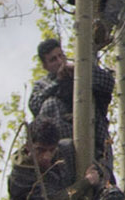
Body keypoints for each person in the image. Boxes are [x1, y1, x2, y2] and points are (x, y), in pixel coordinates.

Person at [29, 36, 116, 165]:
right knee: (50, 103)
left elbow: (108, 83)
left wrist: (81, 71)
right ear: (45, 66)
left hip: (94, 140)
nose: (59, 61)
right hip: (60, 146)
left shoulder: (79, 72)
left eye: (61, 56)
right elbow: (35, 106)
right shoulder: (42, 85)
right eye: (53, 60)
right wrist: (58, 82)